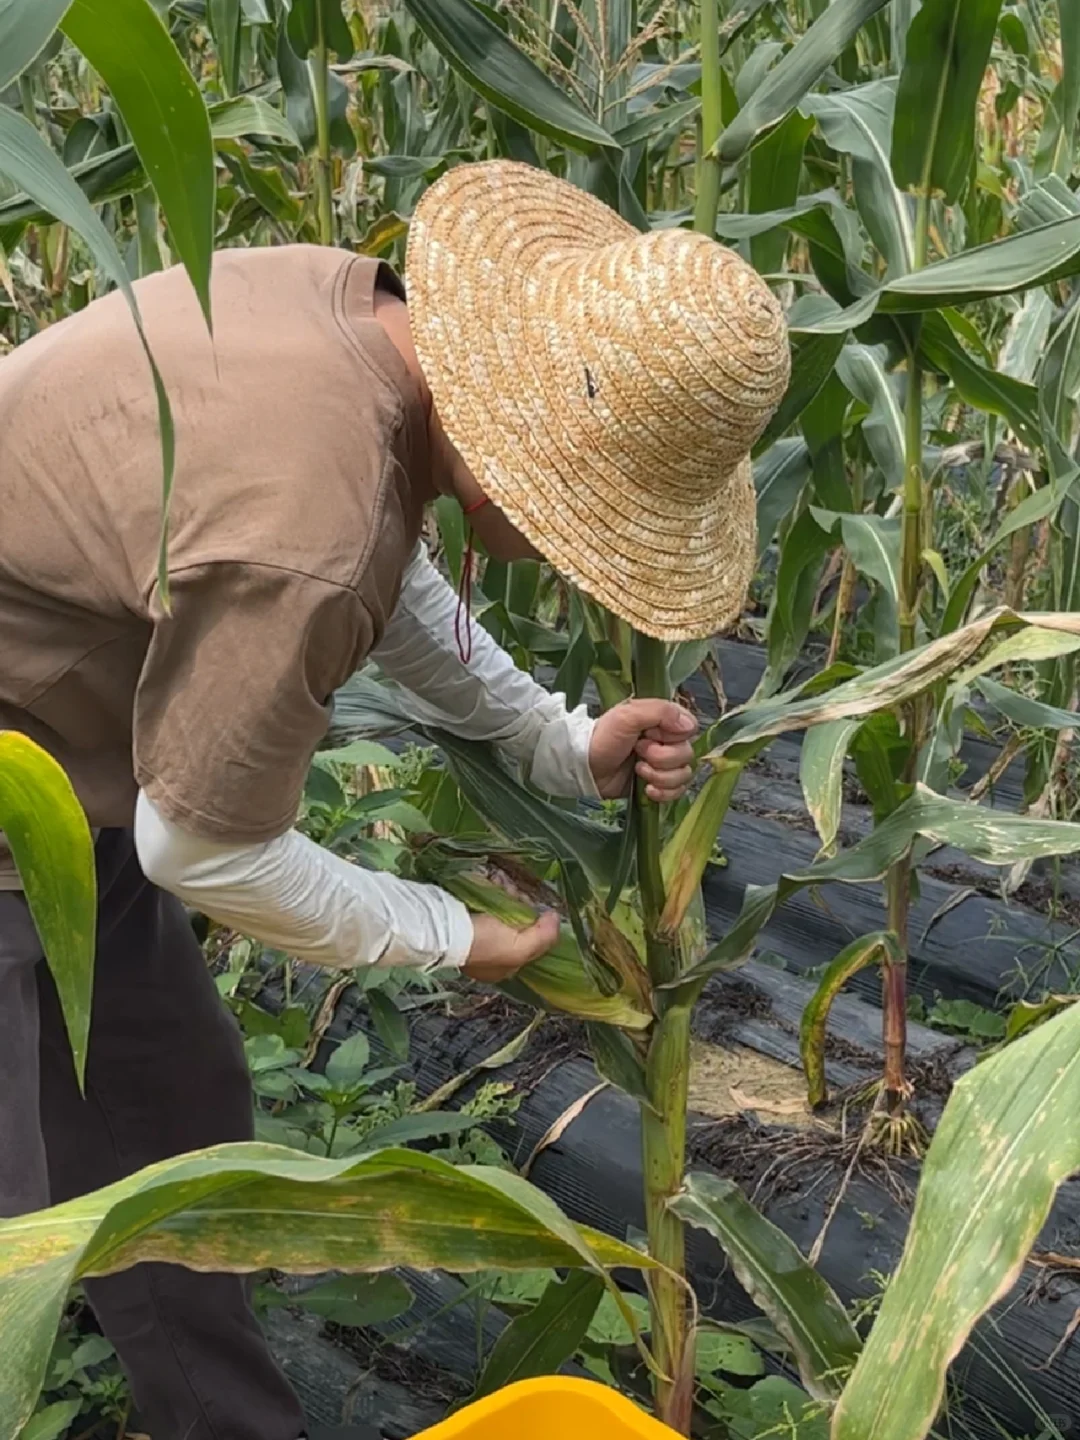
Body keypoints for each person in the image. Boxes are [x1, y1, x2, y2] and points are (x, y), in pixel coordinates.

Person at [0, 161, 788, 1439]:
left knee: (176, 1154)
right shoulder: (304, 524)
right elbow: (204, 843)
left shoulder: (360, 327)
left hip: (71, 790)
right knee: (13, 1234)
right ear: (510, 478)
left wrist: (551, 741)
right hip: (24, 797)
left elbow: (389, 554)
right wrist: (453, 936)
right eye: (585, 528)